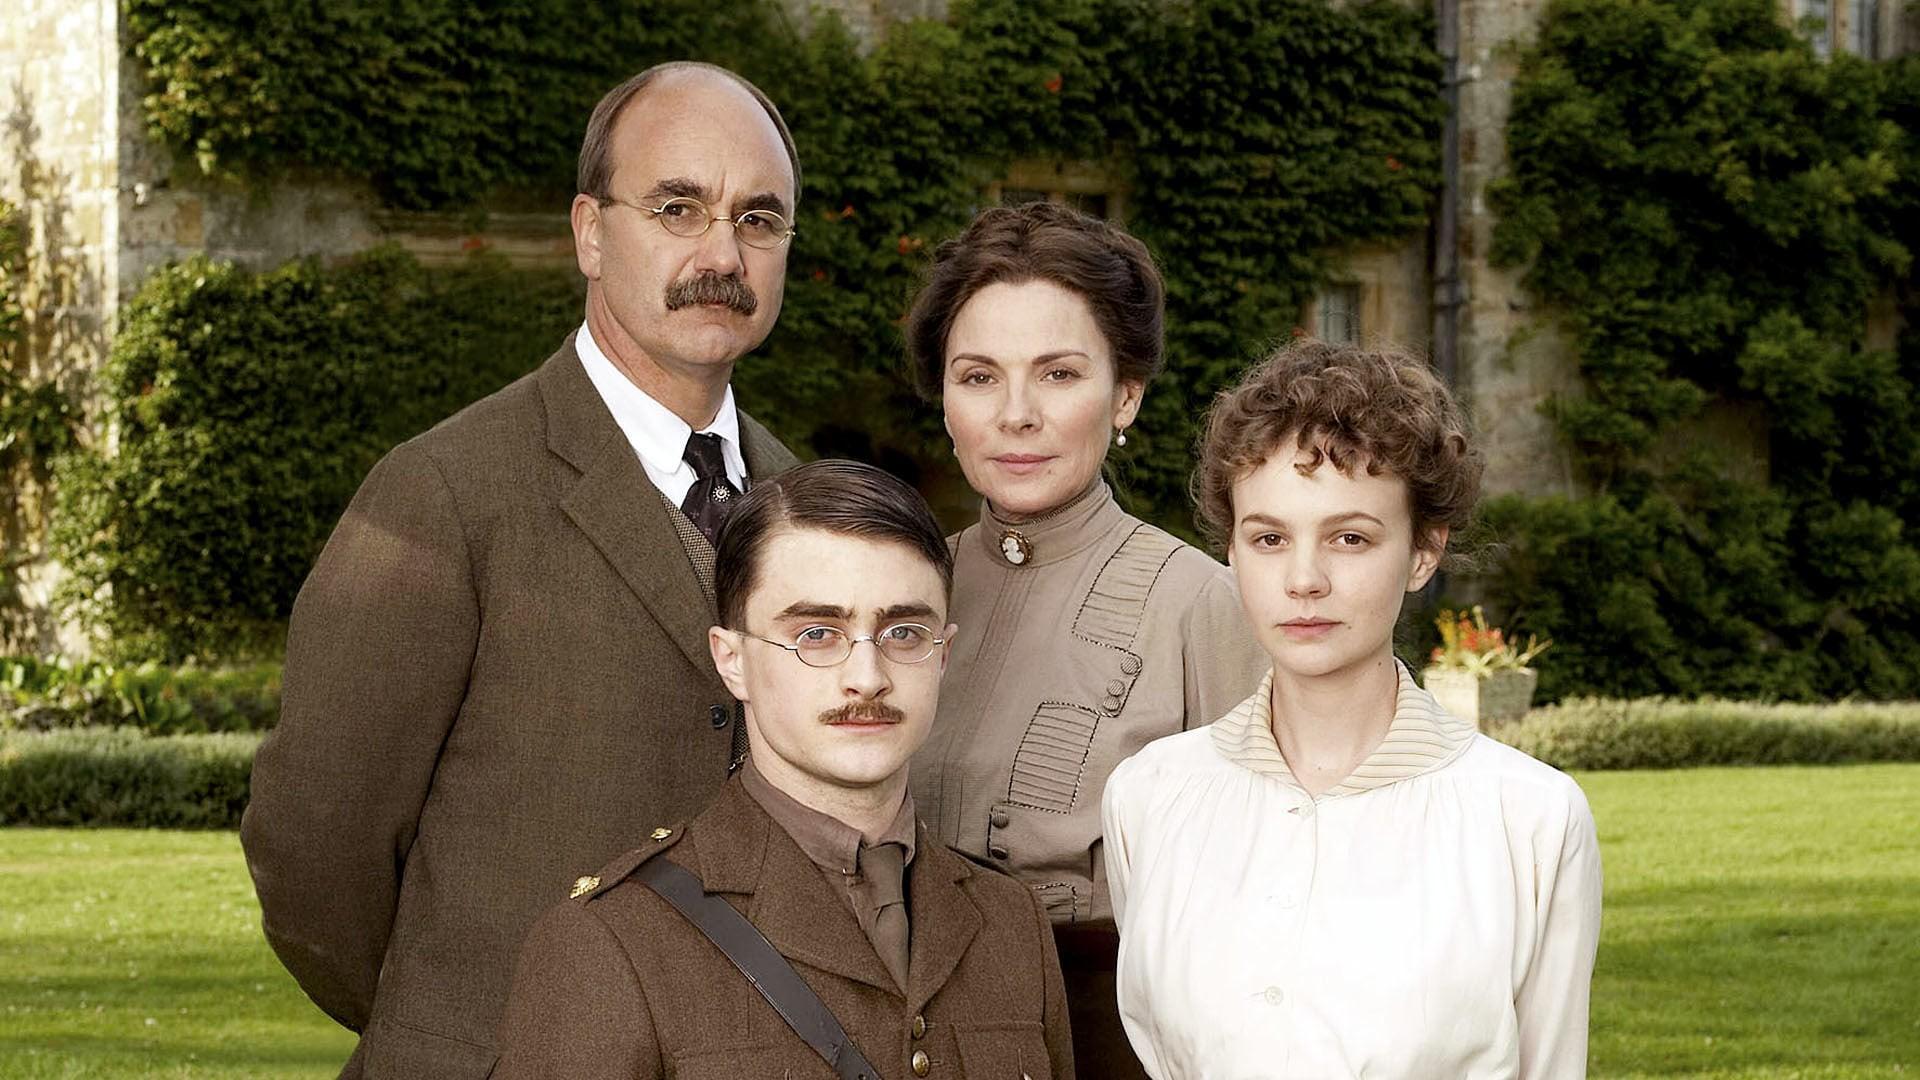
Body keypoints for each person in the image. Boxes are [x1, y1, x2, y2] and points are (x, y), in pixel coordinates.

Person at [240, 62, 803, 1077]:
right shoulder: (441, 494)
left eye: (757, 220)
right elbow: (316, 842)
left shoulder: (804, 502)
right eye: (677, 209)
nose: (722, 254)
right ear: (590, 232)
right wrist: (449, 1028)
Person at [1102, 340, 1604, 1079]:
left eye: (1349, 538)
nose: (1304, 579)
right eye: (1269, 538)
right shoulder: (1149, 796)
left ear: (1423, 552)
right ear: (1232, 552)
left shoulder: (1530, 819)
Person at [494, 459, 1075, 1079]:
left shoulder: (1011, 922)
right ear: (733, 661)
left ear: (943, 655)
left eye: (904, 633)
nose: (867, 678)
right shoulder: (614, 940)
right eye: (817, 635)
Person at [903, 202, 1269, 1078]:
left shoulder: (1208, 606)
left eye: (1059, 374)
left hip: (1108, 1045)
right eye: (979, 376)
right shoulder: (897, 594)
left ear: (1126, 395)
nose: (1016, 414)